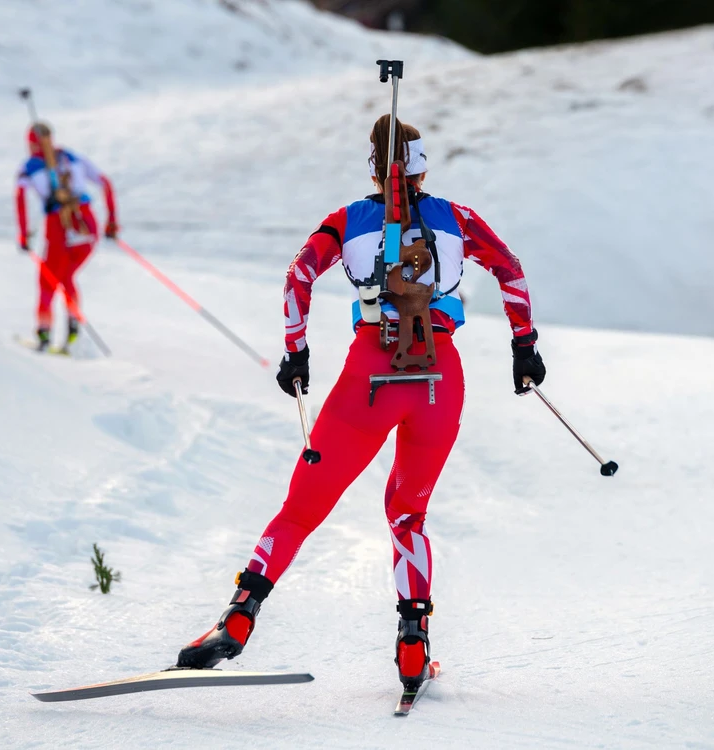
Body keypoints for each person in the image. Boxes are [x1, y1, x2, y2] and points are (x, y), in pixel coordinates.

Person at [177, 115, 546, 689]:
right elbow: (512, 271)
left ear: (375, 169)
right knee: (408, 515)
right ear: (422, 167)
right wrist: (524, 346)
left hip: (368, 375)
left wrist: (295, 352)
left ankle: (238, 618)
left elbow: (298, 277)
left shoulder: (348, 220)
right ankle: (413, 645)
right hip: (437, 378)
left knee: (301, 509)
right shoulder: (459, 219)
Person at [15, 122, 118, 352]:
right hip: (87, 224)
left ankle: (44, 335)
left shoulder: (30, 167)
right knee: (67, 277)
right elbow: (106, 183)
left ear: (32, 143)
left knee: (48, 281)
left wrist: (23, 234)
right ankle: (74, 334)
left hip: (59, 225)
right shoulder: (72, 157)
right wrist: (112, 222)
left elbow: (20, 197)